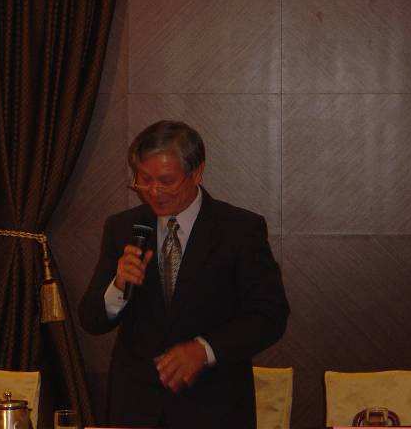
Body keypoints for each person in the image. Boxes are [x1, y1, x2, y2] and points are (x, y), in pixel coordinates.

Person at [78, 120, 289, 428]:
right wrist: (118, 286)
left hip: (215, 409)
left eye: (166, 181)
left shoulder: (239, 230)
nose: (154, 192)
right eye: (144, 179)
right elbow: (91, 320)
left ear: (197, 173)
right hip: (136, 407)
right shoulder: (122, 228)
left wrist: (204, 350)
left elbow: (270, 316)